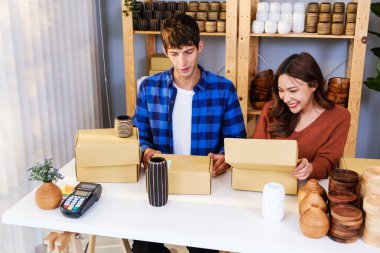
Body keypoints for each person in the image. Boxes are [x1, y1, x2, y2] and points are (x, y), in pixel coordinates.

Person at [132, 14, 246, 253]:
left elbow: (237, 141)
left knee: (203, 248)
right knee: (143, 248)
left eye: (188, 51)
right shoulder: (149, 88)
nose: (182, 61)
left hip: (205, 187)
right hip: (162, 184)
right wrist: (146, 151)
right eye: (174, 53)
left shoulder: (223, 89)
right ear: (165, 51)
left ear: (199, 46)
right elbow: (138, 135)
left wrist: (225, 158)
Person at [253, 52, 350, 180]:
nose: (286, 98)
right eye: (281, 90)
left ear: (314, 85)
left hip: (310, 189)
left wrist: (311, 168)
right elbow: (255, 152)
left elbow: (327, 163)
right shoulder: (271, 109)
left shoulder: (339, 117)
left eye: (293, 90)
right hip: (270, 185)